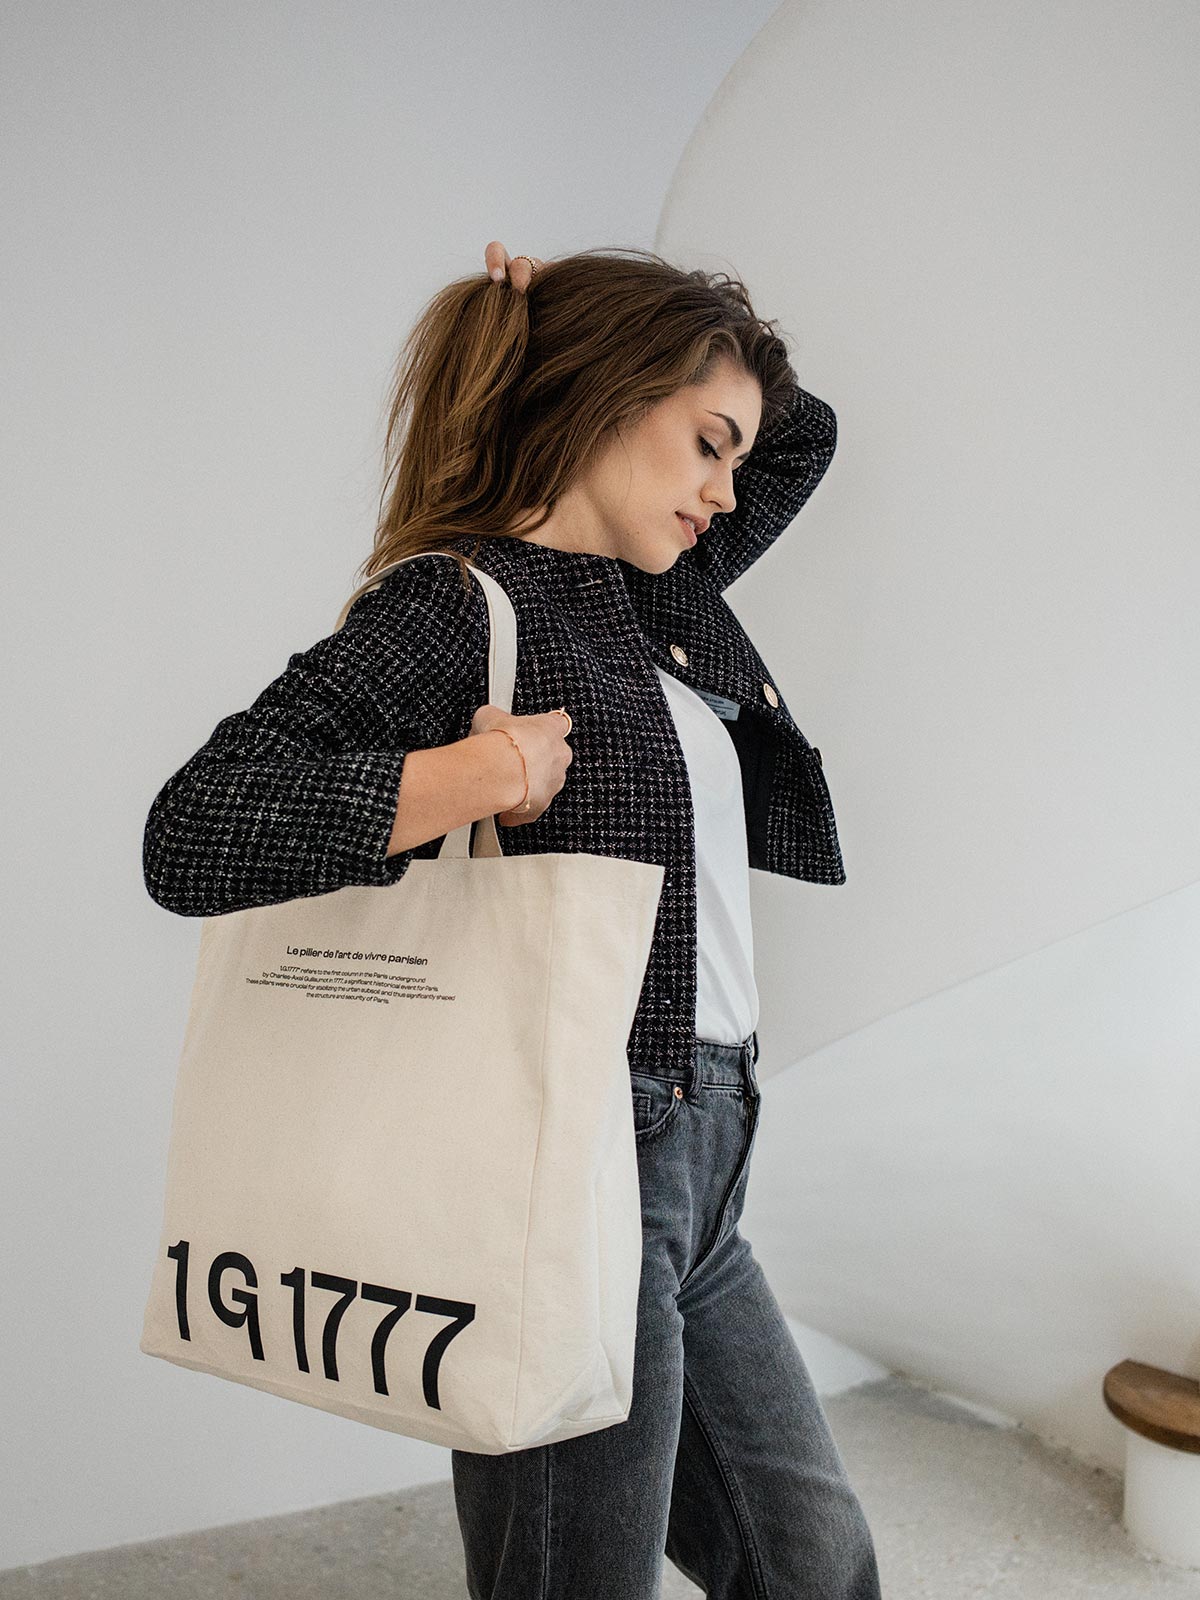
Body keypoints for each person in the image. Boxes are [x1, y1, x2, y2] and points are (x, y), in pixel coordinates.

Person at [142, 242, 882, 1600]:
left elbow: (800, 441)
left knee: (817, 1565)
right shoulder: (453, 604)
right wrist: (474, 777)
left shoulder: (666, 595)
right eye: (704, 444)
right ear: (607, 401)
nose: (727, 492)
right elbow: (193, 831)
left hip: (708, 1169)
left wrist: (597, 310)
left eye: (734, 460)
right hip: (577, 1158)